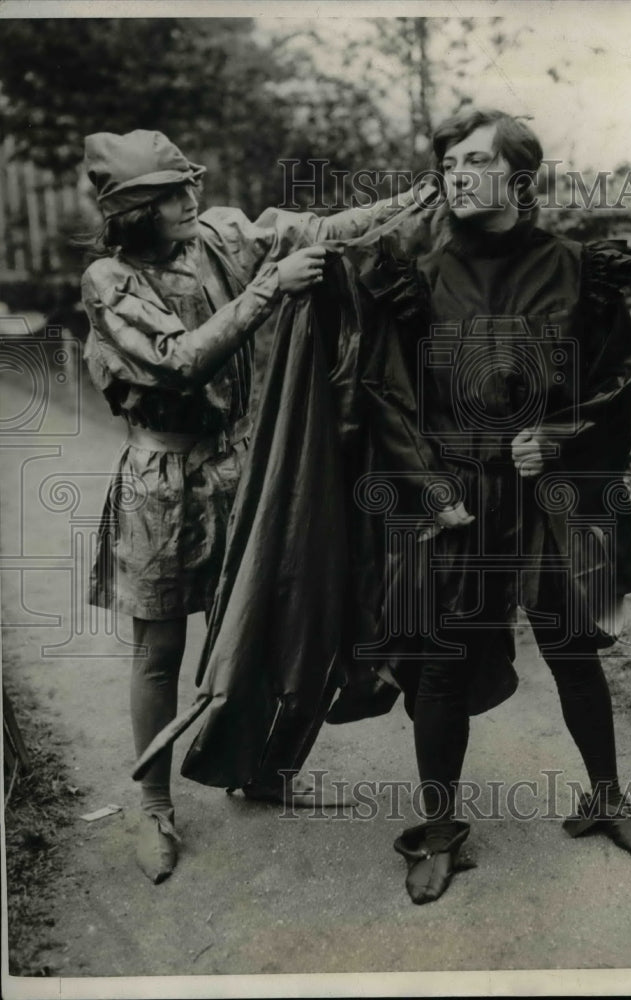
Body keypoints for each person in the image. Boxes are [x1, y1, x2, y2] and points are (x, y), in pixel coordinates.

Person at [80, 129, 421, 884]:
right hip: (160, 481)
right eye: (169, 195)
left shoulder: (222, 234)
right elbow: (177, 361)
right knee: (160, 650)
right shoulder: (108, 280)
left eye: (187, 186)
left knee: (269, 622)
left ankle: (259, 767)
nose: (189, 202)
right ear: (131, 211)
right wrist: (273, 287)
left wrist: (417, 196)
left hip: (244, 467)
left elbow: (323, 231)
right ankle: (155, 805)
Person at [380, 109, 631, 904]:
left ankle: (604, 796)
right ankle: (437, 831)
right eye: (448, 162)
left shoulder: (576, 268)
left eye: (473, 160)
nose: (455, 174)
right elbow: (391, 398)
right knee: (440, 660)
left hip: (548, 494)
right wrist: (433, 490)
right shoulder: (420, 280)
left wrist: (561, 436)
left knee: (571, 646)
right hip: (459, 496)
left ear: (518, 175)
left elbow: (618, 373)